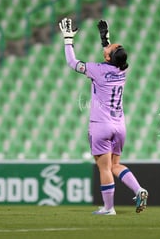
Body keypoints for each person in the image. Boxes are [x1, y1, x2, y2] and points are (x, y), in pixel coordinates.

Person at [59, 17, 148, 215]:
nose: (109, 46)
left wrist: (67, 39)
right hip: (119, 125)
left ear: (109, 57)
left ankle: (109, 208)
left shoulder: (97, 70)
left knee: (104, 168)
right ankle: (139, 189)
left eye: (111, 47)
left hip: (100, 125)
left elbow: (72, 62)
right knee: (115, 165)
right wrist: (105, 40)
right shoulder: (122, 69)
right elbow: (113, 56)